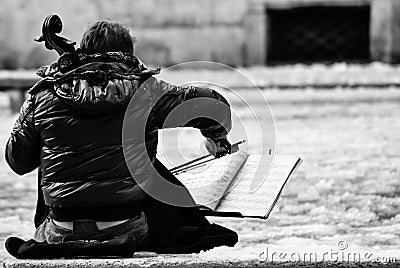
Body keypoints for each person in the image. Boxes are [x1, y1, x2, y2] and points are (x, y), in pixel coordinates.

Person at [5, 20, 237, 258]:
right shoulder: (147, 92)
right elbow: (213, 107)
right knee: (146, 167)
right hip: (126, 228)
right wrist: (215, 137)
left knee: (51, 157)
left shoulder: (44, 94)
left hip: (60, 230)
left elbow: (18, 161)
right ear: (127, 54)